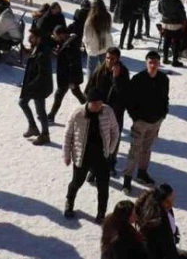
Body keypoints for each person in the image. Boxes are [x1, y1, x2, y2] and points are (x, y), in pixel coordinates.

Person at [63, 92, 119, 222]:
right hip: (82, 156)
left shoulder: (107, 111)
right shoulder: (78, 113)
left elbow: (115, 131)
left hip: (101, 156)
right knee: (76, 183)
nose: (99, 106)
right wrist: (66, 155)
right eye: (95, 103)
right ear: (88, 102)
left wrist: (110, 150)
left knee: (103, 186)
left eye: (100, 103)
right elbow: (68, 135)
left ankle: (101, 213)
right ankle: (69, 203)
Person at [122, 51, 169, 195]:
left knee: (146, 149)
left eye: (156, 62)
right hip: (141, 121)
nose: (153, 65)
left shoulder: (164, 79)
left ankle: (142, 172)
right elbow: (129, 100)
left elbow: (165, 98)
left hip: (155, 121)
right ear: (146, 63)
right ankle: (127, 179)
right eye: (150, 62)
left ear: (159, 63)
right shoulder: (138, 79)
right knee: (134, 151)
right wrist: (135, 117)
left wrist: (162, 115)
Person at [86, 48, 130, 176]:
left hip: (115, 112)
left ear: (118, 59)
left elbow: (123, 93)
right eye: (107, 58)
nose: (109, 61)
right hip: (99, 110)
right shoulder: (100, 69)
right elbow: (91, 86)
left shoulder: (123, 72)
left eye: (112, 59)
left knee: (113, 138)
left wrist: (116, 78)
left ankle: (111, 163)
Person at [136, 183, 187, 259]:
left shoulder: (160, 208)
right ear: (160, 200)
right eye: (168, 201)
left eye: (173, 200)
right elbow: (168, 248)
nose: (171, 204)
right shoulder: (159, 220)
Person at [20, 29, 55, 145]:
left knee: (40, 111)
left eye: (32, 36)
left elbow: (42, 74)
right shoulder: (38, 47)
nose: (30, 38)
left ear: (39, 38)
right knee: (23, 103)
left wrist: (30, 85)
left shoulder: (42, 53)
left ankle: (45, 135)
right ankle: (33, 127)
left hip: (40, 86)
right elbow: (33, 55)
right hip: (35, 85)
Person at [48, 25, 87, 123]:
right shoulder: (68, 42)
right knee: (76, 93)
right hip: (67, 76)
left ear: (62, 35)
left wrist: (72, 80)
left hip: (68, 76)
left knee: (59, 94)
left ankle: (51, 115)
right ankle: (89, 109)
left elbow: (73, 64)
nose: (55, 37)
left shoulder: (70, 46)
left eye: (56, 35)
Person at [157, 0, 187, 67]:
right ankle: (175, 61)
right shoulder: (177, 1)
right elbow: (182, 14)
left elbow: (159, 10)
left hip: (165, 23)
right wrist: (184, 21)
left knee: (166, 41)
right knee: (176, 42)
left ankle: (165, 58)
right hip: (176, 25)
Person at [84, 0, 115, 79]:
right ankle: (106, 83)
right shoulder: (108, 16)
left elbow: (87, 36)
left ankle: (90, 86)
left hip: (93, 47)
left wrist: (85, 44)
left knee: (91, 68)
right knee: (106, 66)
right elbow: (109, 30)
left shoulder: (90, 20)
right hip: (106, 45)